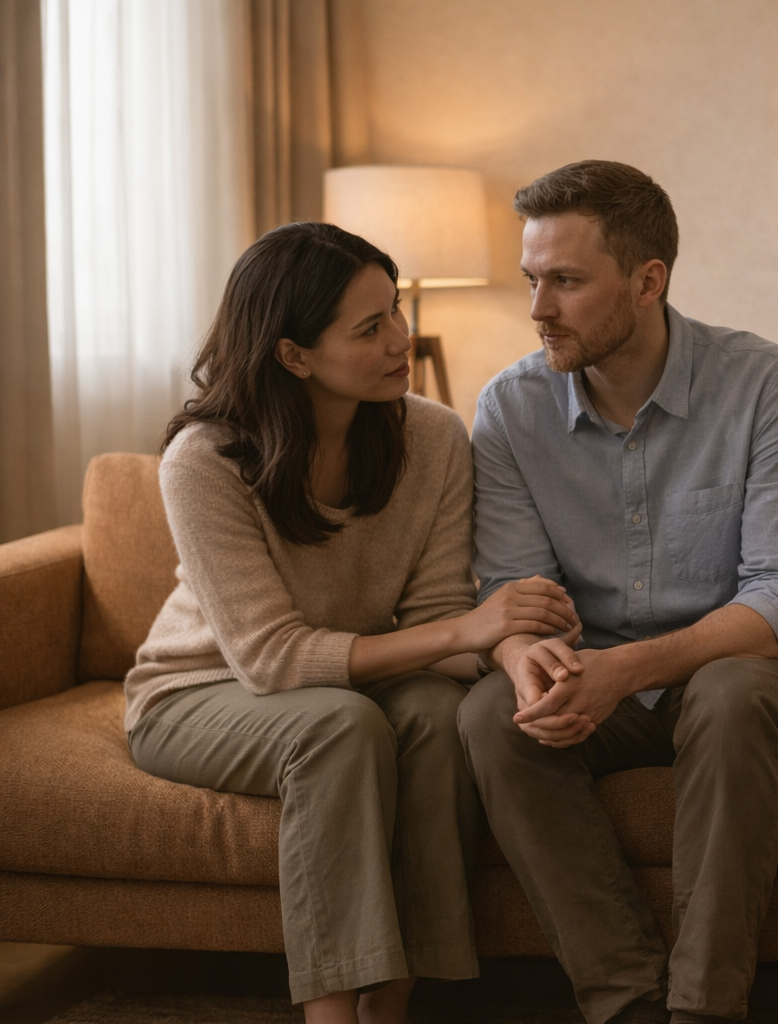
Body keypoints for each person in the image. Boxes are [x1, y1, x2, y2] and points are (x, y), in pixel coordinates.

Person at [123, 223, 579, 1024]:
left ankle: (393, 1002)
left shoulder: (432, 437)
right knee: (339, 728)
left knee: (443, 715)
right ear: (293, 355)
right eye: (370, 329)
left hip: (345, 682)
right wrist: (471, 630)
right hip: (197, 691)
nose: (401, 340)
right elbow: (270, 660)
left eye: (394, 311)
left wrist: (524, 650)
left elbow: (441, 610)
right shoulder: (203, 460)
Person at [457, 160, 778, 1024]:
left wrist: (623, 668)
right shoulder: (508, 409)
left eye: (565, 282)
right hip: (609, 684)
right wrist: (524, 658)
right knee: (492, 714)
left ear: (649, 281)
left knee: (727, 691)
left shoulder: (764, 385)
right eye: (533, 280)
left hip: (773, 676)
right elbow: (510, 592)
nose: (537, 309)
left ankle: (704, 1012)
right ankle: (629, 1008)